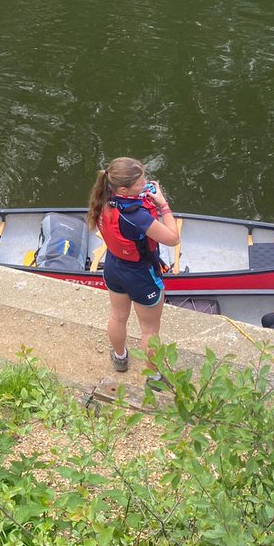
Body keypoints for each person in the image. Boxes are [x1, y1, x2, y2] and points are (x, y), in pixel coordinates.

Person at [87, 157, 180, 389]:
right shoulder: (137, 217)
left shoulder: (102, 201)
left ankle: (120, 358)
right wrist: (163, 205)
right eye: (141, 183)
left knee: (118, 316)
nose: (146, 183)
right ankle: (154, 377)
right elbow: (173, 238)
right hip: (141, 275)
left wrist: (142, 196)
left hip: (114, 267)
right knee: (149, 329)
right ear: (124, 189)